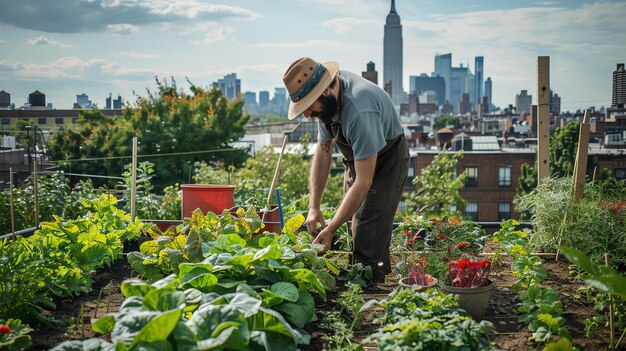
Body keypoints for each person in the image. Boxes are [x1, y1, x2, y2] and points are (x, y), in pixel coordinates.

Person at [282, 57, 409, 283]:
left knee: (369, 224)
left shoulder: (360, 109)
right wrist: (314, 207)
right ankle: (358, 271)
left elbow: (363, 182)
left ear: (327, 91)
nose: (307, 114)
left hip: (388, 158)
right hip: (358, 156)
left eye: (308, 107)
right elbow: (323, 152)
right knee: (353, 220)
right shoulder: (326, 102)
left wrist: (330, 229)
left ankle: (369, 284)